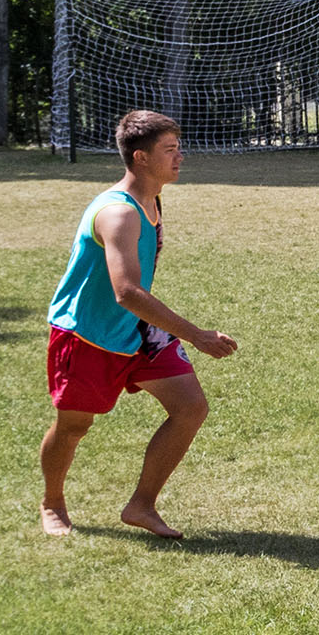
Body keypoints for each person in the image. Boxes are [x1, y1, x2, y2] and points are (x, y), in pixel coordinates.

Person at [41, 109, 239, 539]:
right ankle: (53, 502)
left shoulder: (153, 201)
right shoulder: (119, 214)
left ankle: (141, 505)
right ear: (141, 157)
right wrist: (196, 336)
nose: (180, 157)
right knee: (74, 426)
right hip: (89, 334)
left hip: (139, 330)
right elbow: (127, 292)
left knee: (190, 408)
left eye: (178, 148)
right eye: (170, 150)